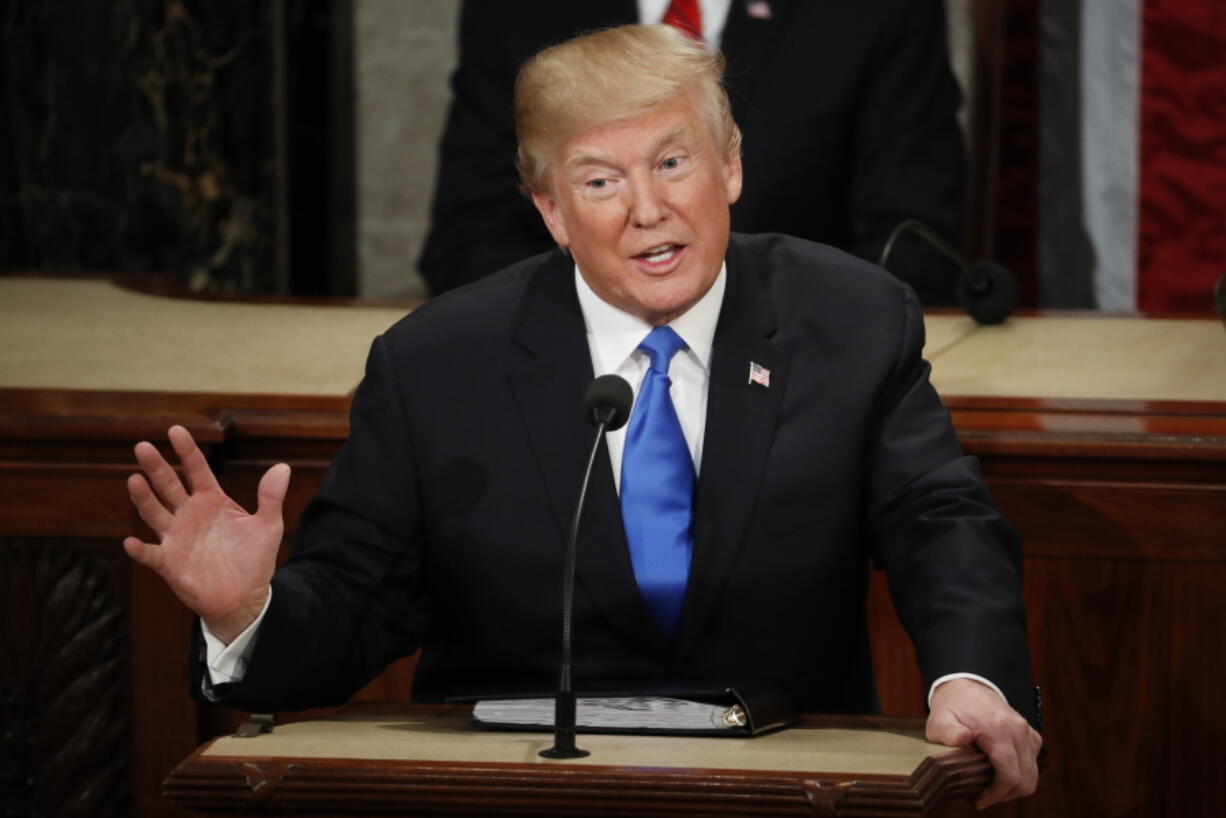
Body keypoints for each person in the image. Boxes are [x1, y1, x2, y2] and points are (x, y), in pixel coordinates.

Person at [124, 24, 1040, 809]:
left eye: (674, 162)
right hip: (511, 802)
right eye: (599, 182)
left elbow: (939, 523)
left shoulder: (851, 319)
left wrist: (971, 677)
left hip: (784, 792)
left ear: (730, 167)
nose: (648, 210)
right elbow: (359, 602)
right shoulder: (438, 364)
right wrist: (252, 610)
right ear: (552, 210)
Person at [420, 0, 966, 305]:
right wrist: (601, 335)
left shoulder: (879, 12)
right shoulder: (512, 12)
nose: (650, 211)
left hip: (803, 366)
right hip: (570, 369)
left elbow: (915, 244)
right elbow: (470, 237)